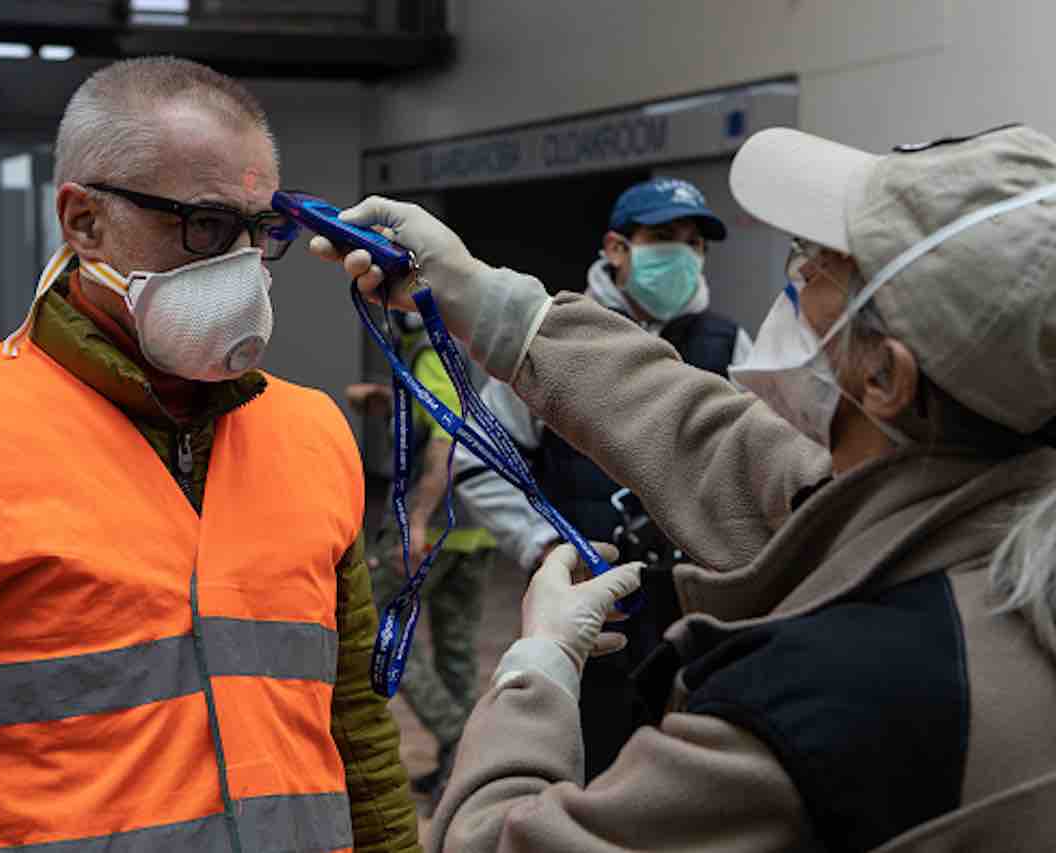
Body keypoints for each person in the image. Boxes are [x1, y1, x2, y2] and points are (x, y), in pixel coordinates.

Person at [312, 124, 1056, 850]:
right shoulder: (994, 537)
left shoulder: (806, 717)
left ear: (885, 376)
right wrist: (483, 297)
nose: (795, 281)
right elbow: (710, 439)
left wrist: (534, 673)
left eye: (821, 266)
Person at [0, 57, 419, 853]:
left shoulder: (313, 432)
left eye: (262, 233)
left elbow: (355, 734)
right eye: (205, 226)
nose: (244, 267)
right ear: (83, 221)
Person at [451, 176, 750, 779]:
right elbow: (477, 457)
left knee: (694, 764)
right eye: (664, 238)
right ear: (617, 248)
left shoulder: (726, 342)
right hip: (597, 601)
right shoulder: (562, 336)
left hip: (699, 603)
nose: (684, 256)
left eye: (695, 243)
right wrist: (544, 546)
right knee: (592, 761)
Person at [347, 312, 497, 810]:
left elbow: (446, 439)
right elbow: (447, 412)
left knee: (381, 636)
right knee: (455, 652)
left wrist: (416, 519)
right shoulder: (461, 348)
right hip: (476, 526)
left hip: (431, 525)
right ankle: (462, 767)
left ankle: (458, 735)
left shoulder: (432, 352)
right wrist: (389, 403)